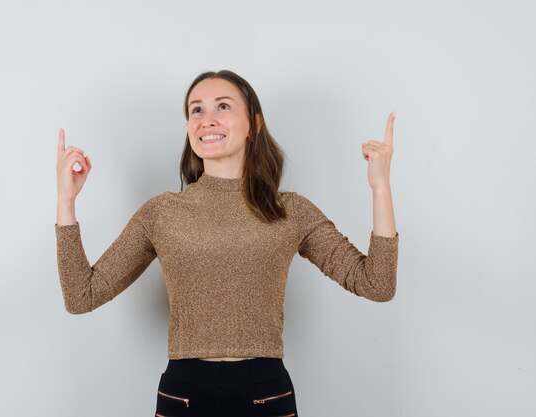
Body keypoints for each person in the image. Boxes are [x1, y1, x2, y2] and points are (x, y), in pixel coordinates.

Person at [54, 69, 399, 417]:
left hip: (264, 393)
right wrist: (66, 201)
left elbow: (377, 284)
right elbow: (81, 296)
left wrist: (381, 188)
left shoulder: (290, 211)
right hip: (183, 394)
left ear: (254, 124)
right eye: (196, 110)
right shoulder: (161, 212)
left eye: (222, 107)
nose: (207, 120)